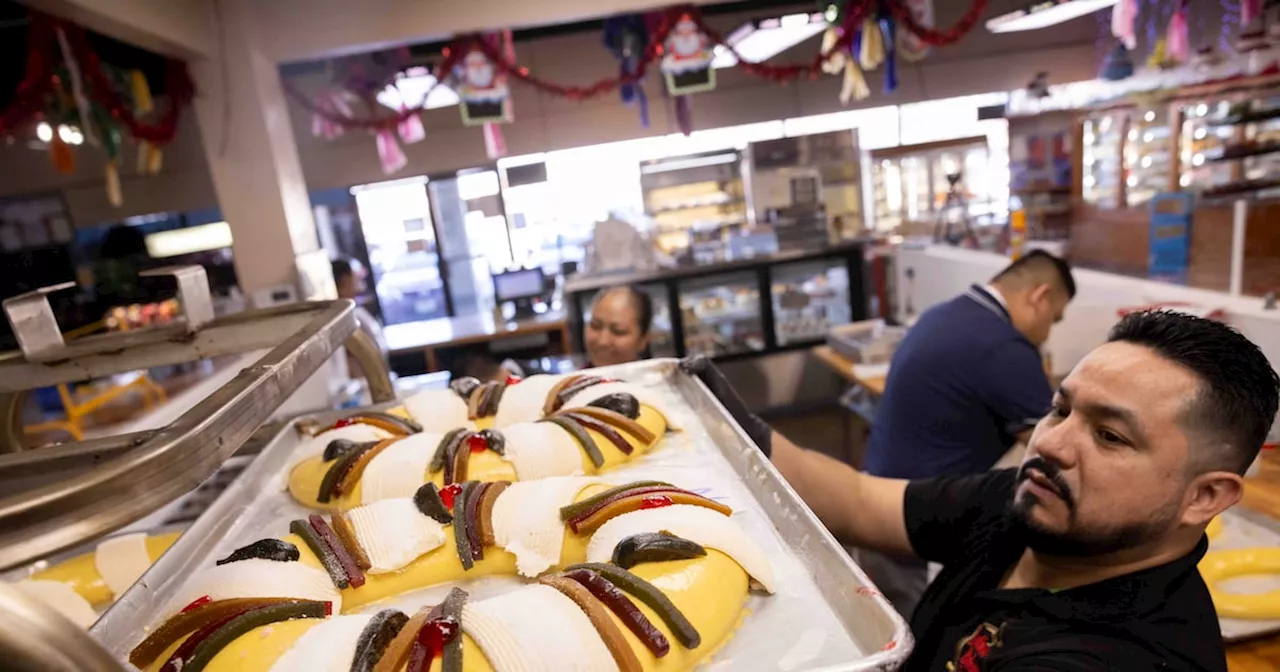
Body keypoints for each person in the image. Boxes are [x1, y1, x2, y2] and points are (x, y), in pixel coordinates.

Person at [688, 310, 1279, 670]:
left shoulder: (1118, 657)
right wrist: (726, 418)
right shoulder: (1033, 504)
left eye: (1109, 436)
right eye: (1059, 408)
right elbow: (862, 503)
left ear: (1205, 497)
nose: (1052, 444)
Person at [859, 250, 1076, 615]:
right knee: (918, 641)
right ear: (1039, 297)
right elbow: (1056, 446)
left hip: (876, 501)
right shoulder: (1003, 347)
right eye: (1053, 319)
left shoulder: (944, 314)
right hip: (915, 527)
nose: (1047, 333)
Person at [332, 259, 388, 380]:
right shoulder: (339, 319)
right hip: (362, 382)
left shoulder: (356, 311)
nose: (360, 282)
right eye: (355, 276)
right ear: (344, 280)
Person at [583, 285, 654, 367]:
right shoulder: (572, 378)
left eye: (618, 331)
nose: (603, 341)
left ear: (643, 340)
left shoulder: (657, 378)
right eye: (595, 326)